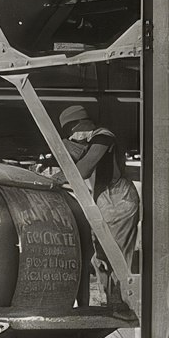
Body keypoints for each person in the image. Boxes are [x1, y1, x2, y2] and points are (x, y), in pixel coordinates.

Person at [56, 105, 139, 305]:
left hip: (119, 200)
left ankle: (120, 303)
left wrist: (58, 177)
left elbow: (83, 170)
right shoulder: (92, 141)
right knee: (99, 258)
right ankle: (110, 301)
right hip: (105, 199)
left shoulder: (104, 137)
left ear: (79, 124)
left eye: (71, 132)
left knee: (115, 256)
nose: (73, 136)